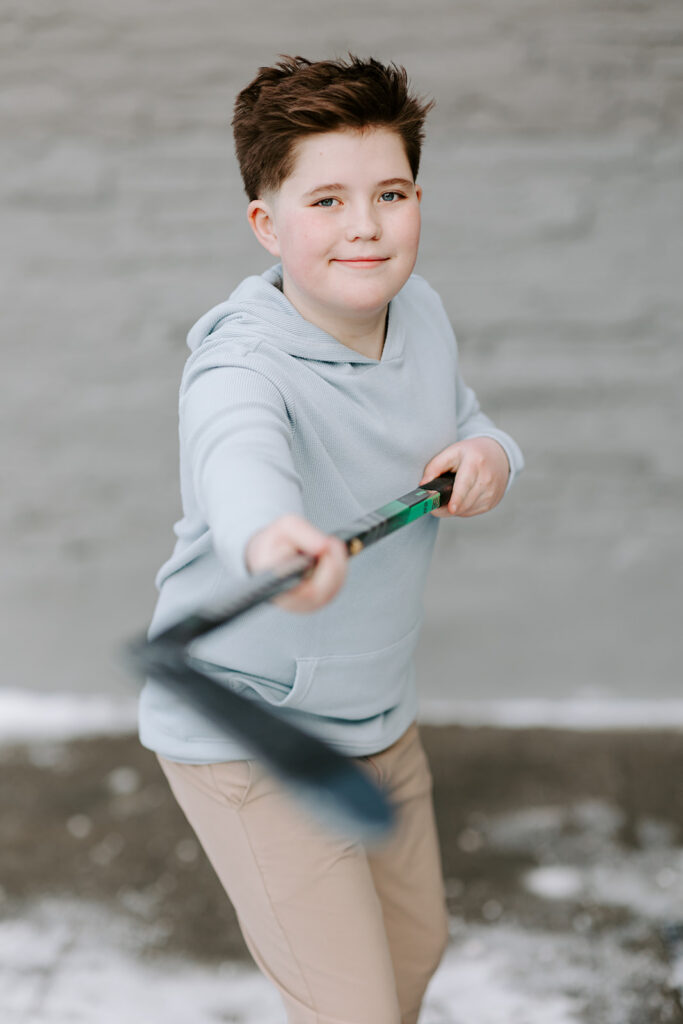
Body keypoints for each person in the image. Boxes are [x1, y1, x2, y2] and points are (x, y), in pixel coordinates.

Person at [139, 55, 524, 1024]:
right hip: (251, 729)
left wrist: (486, 453)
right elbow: (240, 465)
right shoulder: (238, 361)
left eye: (388, 193)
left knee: (411, 955)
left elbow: (465, 418)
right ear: (268, 224)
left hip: (372, 710)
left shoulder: (419, 310)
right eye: (326, 200)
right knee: (348, 1008)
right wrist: (274, 545)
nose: (365, 225)